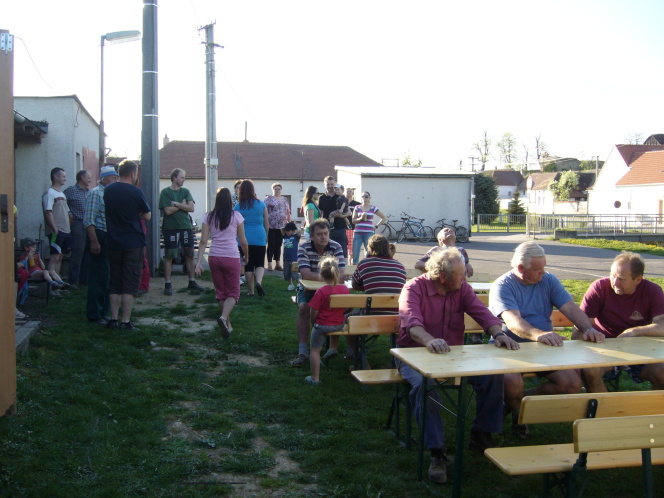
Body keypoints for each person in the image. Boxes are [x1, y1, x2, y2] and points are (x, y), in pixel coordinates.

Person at [397, 247, 519, 484]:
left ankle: (481, 434)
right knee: (425, 386)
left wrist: (498, 333)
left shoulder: (462, 288)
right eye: (461, 274)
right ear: (443, 277)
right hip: (413, 354)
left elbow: (481, 312)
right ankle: (436, 452)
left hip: (453, 355)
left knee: (494, 374)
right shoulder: (413, 288)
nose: (465, 277)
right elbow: (411, 323)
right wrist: (429, 340)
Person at [490, 241, 602, 439]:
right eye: (537, 269)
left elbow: (570, 308)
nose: (543, 273)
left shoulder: (548, 280)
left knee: (571, 384)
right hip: (509, 347)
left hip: (543, 347)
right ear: (520, 268)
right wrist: (539, 335)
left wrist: (588, 329)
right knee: (511, 382)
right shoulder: (502, 285)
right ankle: (519, 415)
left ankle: (518, 402)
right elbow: (513, 322)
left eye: (544, 267)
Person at [573, 251, 664, 391]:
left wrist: (634, 332)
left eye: (621, 279)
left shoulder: (652, 291)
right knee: (590, 371)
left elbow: (662, 324)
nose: (615, 282)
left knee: (662, 372)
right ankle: (604, 404)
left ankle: (649, 404)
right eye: (613, 275)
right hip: (605, 346)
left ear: (638, 280)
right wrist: (576, 361)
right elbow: (581, 324)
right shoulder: (599, 287)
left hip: (640, 348)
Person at [103, 160, 151, 330]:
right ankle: (125, 321)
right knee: (130, 282)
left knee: (115, 281)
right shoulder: (136, 192)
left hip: (113, 240)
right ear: (132, 174)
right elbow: (147, 215)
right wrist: (134, 215)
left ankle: (113, 319)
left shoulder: (108, 190)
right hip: (133, 241)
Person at [195, 187, 249, 339]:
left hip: (214, 257)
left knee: (221, 293)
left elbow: (203, 241)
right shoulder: (236, 216)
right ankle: (224, 318)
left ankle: (227, 325)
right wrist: (246, 255)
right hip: (231, 257)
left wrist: (198, 262)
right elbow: (243, 241)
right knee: (233, 293)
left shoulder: (208, 216)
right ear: (230, 201)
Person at [292, 218, 346, 367]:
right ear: (312, 236)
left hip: (330, 289)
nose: (323, 237)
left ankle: (335, 348)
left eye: (326, 233)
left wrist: (324, 278)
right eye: (319, 234)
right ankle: (303, 350)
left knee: (340, 306)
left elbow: (342, 274)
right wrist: (330, 277)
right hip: (308, 289)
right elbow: (305, 273)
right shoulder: (304, 247)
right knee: (303, 308)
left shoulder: (336, 246)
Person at [416, 227, 479, 343]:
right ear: (440, 239)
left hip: (460, 286)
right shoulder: (436, 250)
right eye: (445, 231)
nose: (449, 230)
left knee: (475, 302)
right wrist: (436, 269)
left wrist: (467, 265)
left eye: (451, 230)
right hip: (441, 284)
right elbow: (418, 264)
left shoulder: (462, 251)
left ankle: (476, 335)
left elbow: (466, 264)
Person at [305, 255, 350, 385]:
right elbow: (348, 307)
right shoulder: (344, 289)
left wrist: (313, 322)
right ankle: (332, 348)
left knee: (315, 350)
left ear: (321, 274)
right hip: (339, 324)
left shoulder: (321, 291)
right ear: (337, 273)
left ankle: (315, 378)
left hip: (322, 325)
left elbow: (314, 311)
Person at [159, 168, 204, 295]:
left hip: (186, 227)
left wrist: (177, 204)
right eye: (182, 177)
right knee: (169, 256)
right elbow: (167, 211)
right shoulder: (165, 192)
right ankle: (168, 284)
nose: (184, 179)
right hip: (170, 228)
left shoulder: (186, 191)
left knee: (189, 254)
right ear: (174, 178)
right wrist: (183, 205)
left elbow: (191, 208)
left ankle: (192, 281)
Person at [83, 166, 118, 325]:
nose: (115, 179)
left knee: (107, 276)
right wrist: (94, 241)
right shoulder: (96, 193)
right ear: (104, 179)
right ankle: (94, 314)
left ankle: (104, 312)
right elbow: (89, 220)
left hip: (109, 237)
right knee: (98, 276)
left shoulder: (111, 194)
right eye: (113, 177)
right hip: (99, 235)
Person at [234, 179, 268, 297]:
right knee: (260, 263)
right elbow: (266, 223)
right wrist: (266, 236)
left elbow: (235, 224)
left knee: (248, 264)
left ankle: (251, 291)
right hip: (260, 236)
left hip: (244, 238)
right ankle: (258, 282)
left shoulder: (238, 207)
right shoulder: (261, 204)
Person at [63, 169, 91, 287]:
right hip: (78, 223)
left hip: (89, 224)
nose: (90, 180)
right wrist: (69, 215)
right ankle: (73, 280)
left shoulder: (89, 192)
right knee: (77, 252)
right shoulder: (71, 190)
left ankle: (84, 279)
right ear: (82, 178)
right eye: (88, 177)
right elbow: (62, 204)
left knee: (87, 252)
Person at [42, 167, 71, 277]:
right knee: (54, 257)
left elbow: (67, 212)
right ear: (56, 177)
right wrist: (55, 230)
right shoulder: (49, 193)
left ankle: (57, 282)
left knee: (60, 257)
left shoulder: (62, 194)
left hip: (65, 231)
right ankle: (51, 284)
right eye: (63, 176)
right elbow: (48, 212)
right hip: (55, 232)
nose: (65, 179)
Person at [350, 192, 387, 264]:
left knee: (369, 252)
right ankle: (354, 267)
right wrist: (361, 218)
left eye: (366, 196)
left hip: (369, 233)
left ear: (369, 198)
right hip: (358, 233)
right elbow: (353, 221)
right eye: (363, 196)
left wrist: (376, 226)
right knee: (355, 253)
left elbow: (384, 218)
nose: (364, 198)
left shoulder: (373, 208)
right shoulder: (357, 207)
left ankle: (368, 266)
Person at [318, 176, 351, 258]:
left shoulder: (340, 196)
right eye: (328, 184)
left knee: (342, 253)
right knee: (327, 253)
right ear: (324, 185)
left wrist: (341, 215)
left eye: (332, 184)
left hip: (340, 228)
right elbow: (320, 214)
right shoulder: (321, 198)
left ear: (334, 184)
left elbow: (349, 212)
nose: (330, 186)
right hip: (327, 230)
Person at [264, 182, 291, 271]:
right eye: (275, 189)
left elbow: (287, 211)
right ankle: (269, 263)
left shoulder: (284, 199)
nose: (277, 190)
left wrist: (289, 223)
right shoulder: (268, 199)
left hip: (281, 226)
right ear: (272, 190)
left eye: (279, 189)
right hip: (271, 226)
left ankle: (278, 263)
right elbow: (264, 211)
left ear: (281, 190)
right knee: (271, 244)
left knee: (278, 245)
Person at [281, 221, 302, 291]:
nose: (287, 232)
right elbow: (281, 229)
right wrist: (286, 228)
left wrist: (295, 227)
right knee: (287, 273)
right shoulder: (285, 236)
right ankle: (291, 284)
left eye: (288, 231)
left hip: (294, 258)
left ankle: (298, 284)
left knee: (294, 273)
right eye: (286, 231)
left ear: (293, 231)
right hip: (286, 258)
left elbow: (299, 231)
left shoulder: (295, 236)